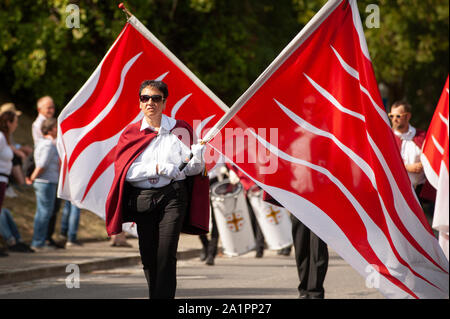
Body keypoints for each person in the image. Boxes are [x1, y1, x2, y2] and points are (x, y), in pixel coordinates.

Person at [105, 80, 208, 299]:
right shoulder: (130, 133)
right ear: (140, 103)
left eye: (155, 98)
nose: (150, 102)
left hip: (173, 197)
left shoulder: (180, 129)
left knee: (167, 252)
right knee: (149, 255)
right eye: (145, 98)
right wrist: (159, 168)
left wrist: (198, 156)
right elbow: (126, 172)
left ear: (164, 102)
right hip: (143, 199)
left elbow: (192, 170)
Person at [389, 101, 436, 215]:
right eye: (391, 115)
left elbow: (432, 158)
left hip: (417, 193)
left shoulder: (421, 136)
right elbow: (384, 163)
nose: (394, 119)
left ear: (408, 116)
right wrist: (406, 168)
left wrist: (424, 164)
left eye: (398, 116)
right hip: (394, 193)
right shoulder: (387, 137)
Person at [30, 96, 62, 248]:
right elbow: (42, 163)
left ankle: (42, 240)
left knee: (47, 212)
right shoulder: (48, 143)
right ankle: (38, 241)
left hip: (48, 180)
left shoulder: (48, 143)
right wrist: (33, 177)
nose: (51, 110)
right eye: (56, 127)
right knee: (44, 212)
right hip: (45, 181)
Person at [0, 111, 17, 257]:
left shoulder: (5, 139)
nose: (17, 125)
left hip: (4, 180)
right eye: (15, 121)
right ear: (8, 123)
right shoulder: (0, 137)